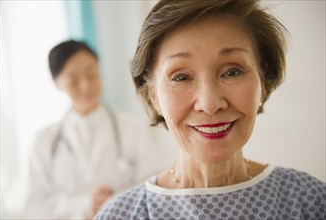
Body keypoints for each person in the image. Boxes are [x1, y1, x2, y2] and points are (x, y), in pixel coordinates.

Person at [95, 0, 326, 219]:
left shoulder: (312, 202)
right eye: (181, 77)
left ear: (263, 82)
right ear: (153, 96)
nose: (210, 104)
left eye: (232, 71)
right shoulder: (119, 215)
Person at [25, 40, 177, 219]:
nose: (85, 85)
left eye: (92, 74)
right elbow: (34, 205)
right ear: (57, 83)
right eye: (73, 80)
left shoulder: (133, 128)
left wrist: (110, 202)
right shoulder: (45, 140)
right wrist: (85, 203)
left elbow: (154, 184)